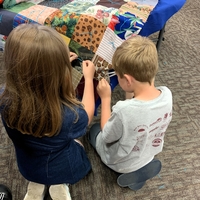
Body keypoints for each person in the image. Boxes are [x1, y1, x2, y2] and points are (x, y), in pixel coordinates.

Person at [0, 24, 96, 200]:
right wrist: (89, 79)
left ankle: (37, 184)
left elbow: (32, 76)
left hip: (28, 165)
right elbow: (87, 114)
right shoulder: (69, 115)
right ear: (55, 73)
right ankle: (59, 183)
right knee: (79, 143)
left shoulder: (4, 99)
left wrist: (55, 63)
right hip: (61, 166)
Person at [88, 35, 173, 190]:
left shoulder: (123, 110)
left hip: (119, 162)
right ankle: (140, 166)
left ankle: (126, 169)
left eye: (117, 75)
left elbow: (107, 136)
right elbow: (138, 111)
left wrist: (106, 99)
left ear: (127, 80)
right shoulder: (167, 94)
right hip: (148, 153)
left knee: (94, 131)